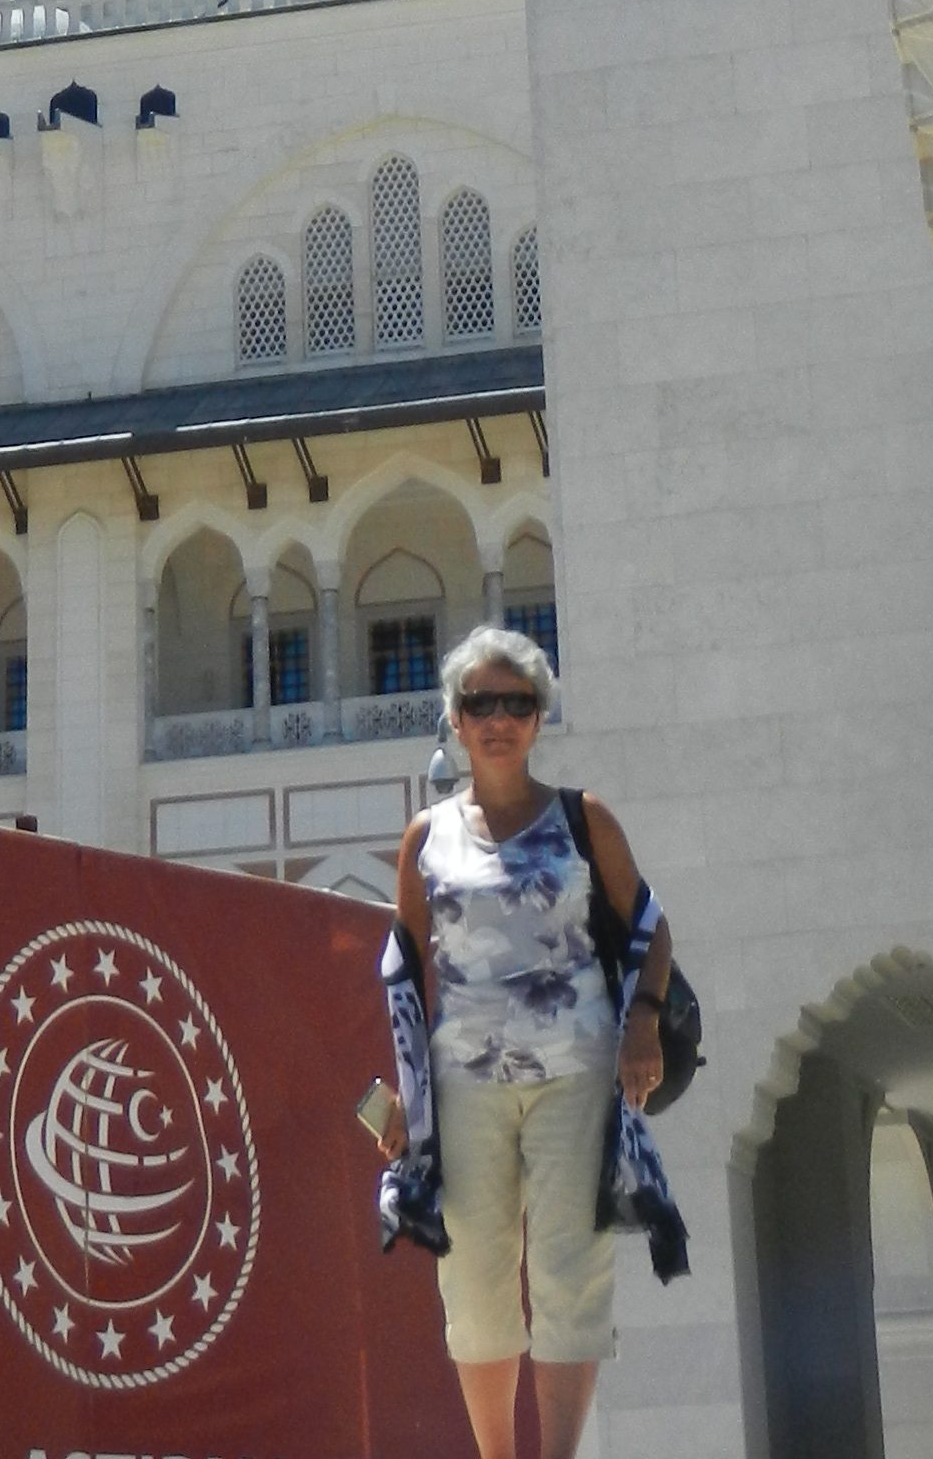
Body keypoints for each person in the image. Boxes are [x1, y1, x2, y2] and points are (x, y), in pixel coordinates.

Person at [382, 624, 670, 1459]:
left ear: (540, 717)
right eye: (481, 704)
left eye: (517, 702)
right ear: (456, 719)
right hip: (465, 1080)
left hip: (575, 1073)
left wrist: (643, 1020)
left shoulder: (584, 819)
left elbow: (650, 927)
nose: (499, 719)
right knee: (473, 1278)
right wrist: (405, 1093)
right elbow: (404, 968)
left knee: (570, 1272)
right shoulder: (427, 836)